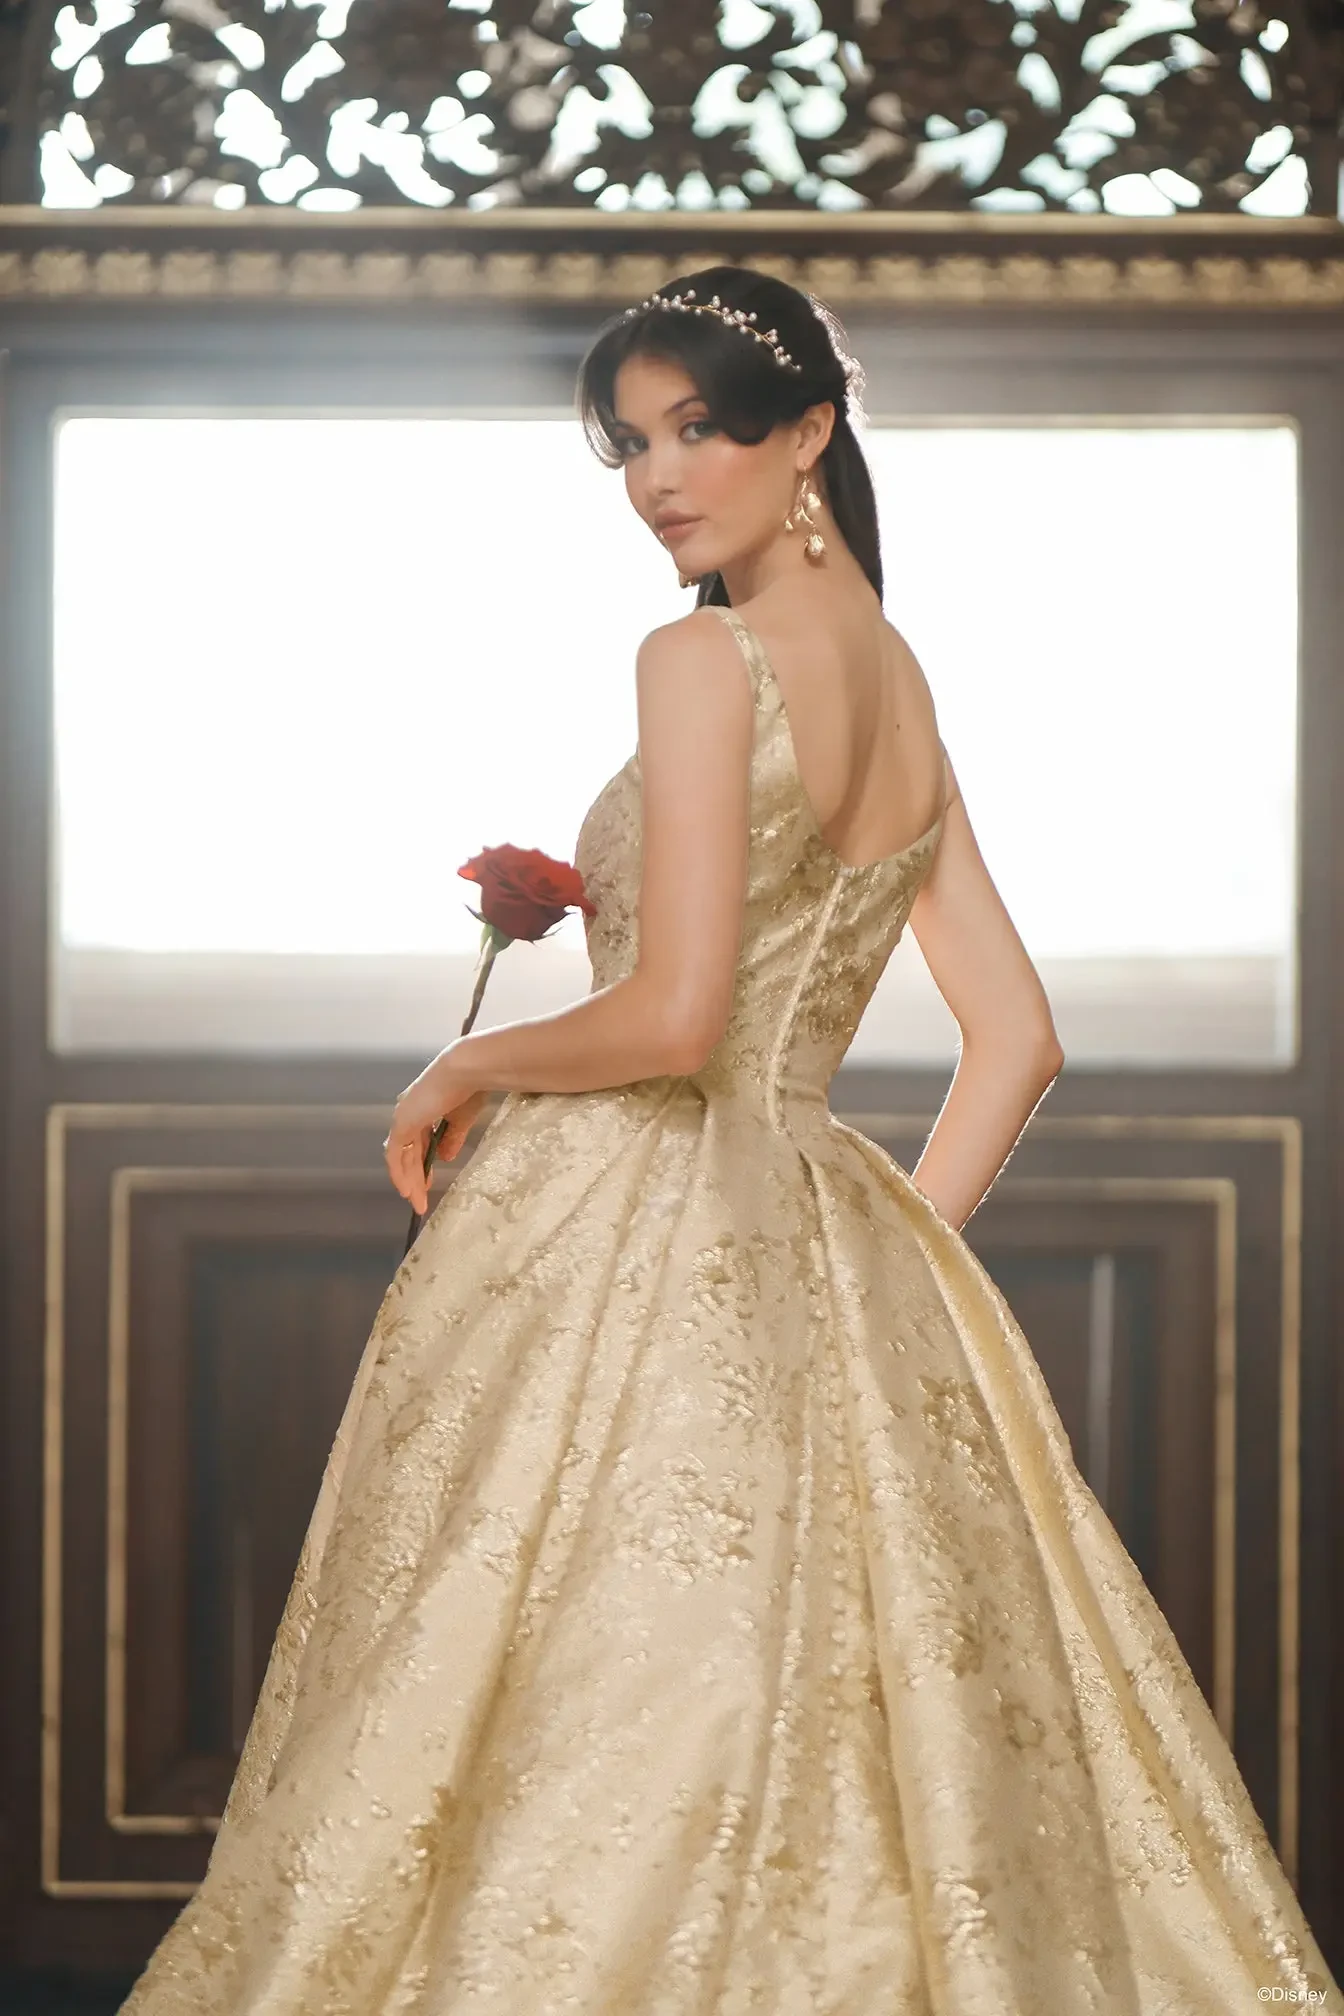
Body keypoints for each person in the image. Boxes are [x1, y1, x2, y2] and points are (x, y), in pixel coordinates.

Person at [120, 265, 1339, 2014]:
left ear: (813, 434)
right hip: (810, 1218)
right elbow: (1018, 1038)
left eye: (702, 429)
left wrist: (456, 1076)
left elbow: (676, 1019)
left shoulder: (702, 658)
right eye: (631, 442)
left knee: (569, 1679)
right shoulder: (900, 684)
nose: (658, 478)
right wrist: (882, 1262)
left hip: (634, 1205)